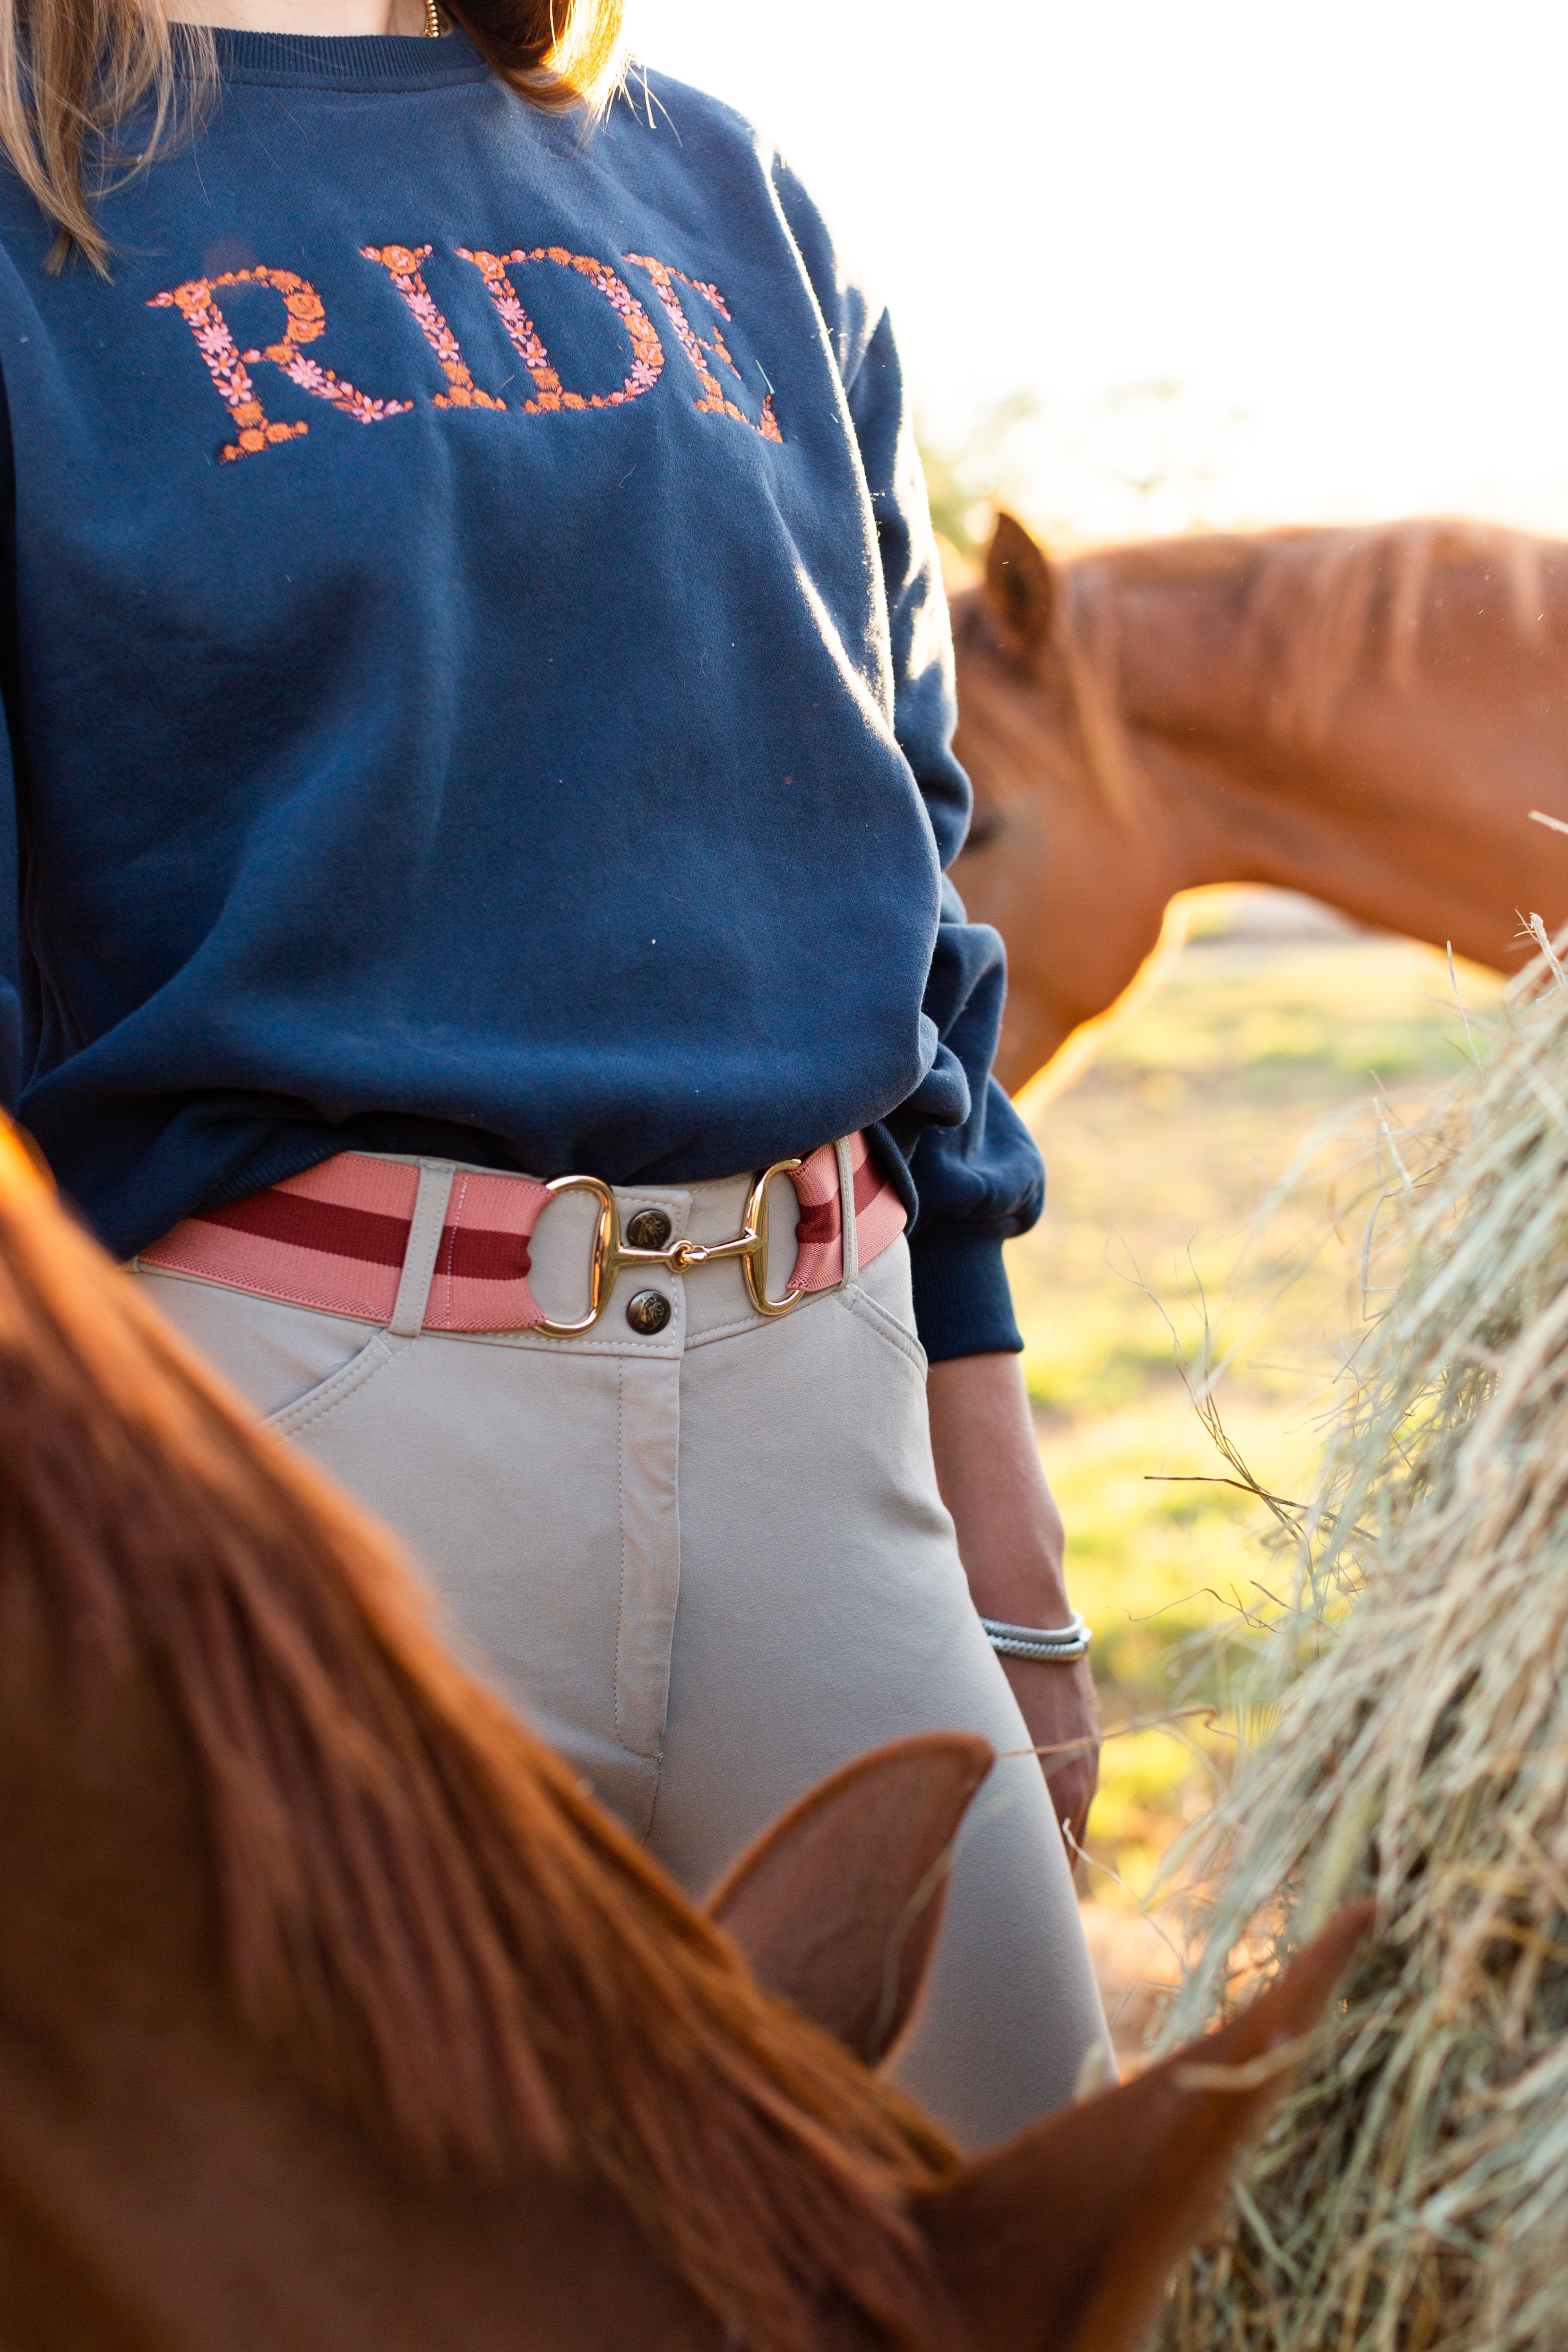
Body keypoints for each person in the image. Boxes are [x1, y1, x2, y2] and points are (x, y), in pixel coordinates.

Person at [0, 0, 1109, 2142]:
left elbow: (905, 860)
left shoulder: (729, 189)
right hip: (287, 1435)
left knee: (1012, 2208)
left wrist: (991, 1498)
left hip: (823, 1396)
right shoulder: (33, 208)